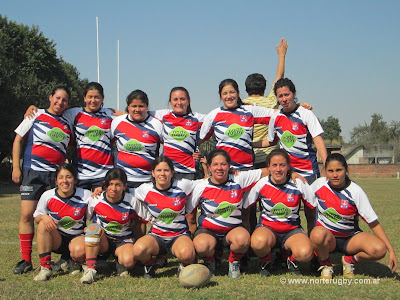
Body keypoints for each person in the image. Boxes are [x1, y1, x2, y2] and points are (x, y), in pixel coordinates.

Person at [12, 85, 72, 274]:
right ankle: (25, 259)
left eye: (64, 100)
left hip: (55, 176)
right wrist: (16, 167)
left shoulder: (67, 123)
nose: (60, 102)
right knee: (27, 214)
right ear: (50, 97)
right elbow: (17, 140)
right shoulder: (35, 114)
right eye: (57, 98)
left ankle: (61, 258)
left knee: (56, 218)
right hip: (33, 172)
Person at [309, 153, 398, 279]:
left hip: (349, 239)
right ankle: (326, 265)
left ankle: (349, 260)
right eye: (330, 171)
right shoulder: (318, 185)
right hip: (328, 240)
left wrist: (391, 250)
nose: (335, 175)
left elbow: (372, 222)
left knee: (379, 249)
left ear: (346, 170)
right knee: (317, 233)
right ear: (325, 172)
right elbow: (299, 194)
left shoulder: (355, 191)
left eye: (339, 170)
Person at [186, 149, 269, 278]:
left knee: (242, 239)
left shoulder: (238, 178)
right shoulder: (200, 186)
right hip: (208, 231)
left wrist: (290, 172)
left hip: (233, 230)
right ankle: (211, 261)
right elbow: (190, 215)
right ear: (209, 167)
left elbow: (267, 171)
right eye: (215, 164)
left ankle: (233, 261)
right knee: (201, 245)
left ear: (229, 166)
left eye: (223, 164)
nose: (219, 168)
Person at [26, 82, 115, 194]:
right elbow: (54, 110)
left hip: (104, 173)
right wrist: (33, 109)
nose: (93, 100)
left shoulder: (109, 114)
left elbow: (128, 115)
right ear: (84, 97)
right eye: (90, 97)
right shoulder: (73, 113)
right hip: (81, 174)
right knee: (81, 208)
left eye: (97, 97)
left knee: (102, 209)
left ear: (102, 98)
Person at [244, 149, 316, 276]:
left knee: (305, 253)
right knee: (258, 243)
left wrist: (311, 235)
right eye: (274, 165)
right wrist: (247, 230)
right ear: (269, 167)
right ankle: (266, 262)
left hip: (292, 230)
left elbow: (312, 210)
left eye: (282, 165)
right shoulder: (262, 184)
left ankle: (290, 260)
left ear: (288, 167)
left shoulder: (298, 183)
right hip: (268, 229)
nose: (278, 169)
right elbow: (245, 206)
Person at [80, 168, 150, 284]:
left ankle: (119, 262)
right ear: (105, 185)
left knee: (129, 261)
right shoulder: (96, 199)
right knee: (92, 228)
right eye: (111, 184)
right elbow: (87, 218)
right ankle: (91, 269)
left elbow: (144, 220)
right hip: (103, 240)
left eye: (118, 185)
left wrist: (139, 243)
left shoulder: (132, 201)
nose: (114, 188)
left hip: (123, 240)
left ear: (124, 186)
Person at [133, 156, 197, 278]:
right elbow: (123, 192)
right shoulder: (144, 189)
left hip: (179, 235)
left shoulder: (183, 185)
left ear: (172, 173)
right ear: (153, 172)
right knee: (138, 250)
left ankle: (183, 265)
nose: (162, 174)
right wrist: (100, 191)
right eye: (158, 170)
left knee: (188, 254)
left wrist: (231, 174)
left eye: (166, 170)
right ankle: (150, 264)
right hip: (157, 236)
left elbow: (203, 183)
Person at [32, 164, 91, 281]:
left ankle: (73, 261)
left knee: (79, 250)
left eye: (69, 177)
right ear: (56, 180)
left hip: (77, 237)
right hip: (57, 239)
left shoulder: (86, 195)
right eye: (61, 177)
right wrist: (44, 217)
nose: (65, 181)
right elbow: (36, 216)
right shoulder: (48, 195)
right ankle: (45, 267)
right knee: (43, 224)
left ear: (75, 179)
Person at [266, 78, 327, 184]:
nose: (284, 99)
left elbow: (318, 141)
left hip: (309, 171)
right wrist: (250, 144)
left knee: (313, 201)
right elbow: (271, 141)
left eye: (287, 94)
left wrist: (328, 166)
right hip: (287, 172)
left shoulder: (306, 113)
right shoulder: (275, 117)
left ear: (293, 93)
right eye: (280, 96)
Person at [242, 38, 288, 169]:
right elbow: (280, 76)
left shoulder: (241, 106)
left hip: (247, 156)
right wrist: (282, 55)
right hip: (269, 157)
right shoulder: (271, 102)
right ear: (264, 88)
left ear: (246, 89)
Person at [111, 89, 163, 193]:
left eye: (141, 106)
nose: (137, 109)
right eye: (134, 106)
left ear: (147, 107)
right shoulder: (117, 122)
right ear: (128, 107)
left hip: (147, 181)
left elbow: (168, 148)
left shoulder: (157, 124)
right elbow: (108, 145)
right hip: (122, 181)